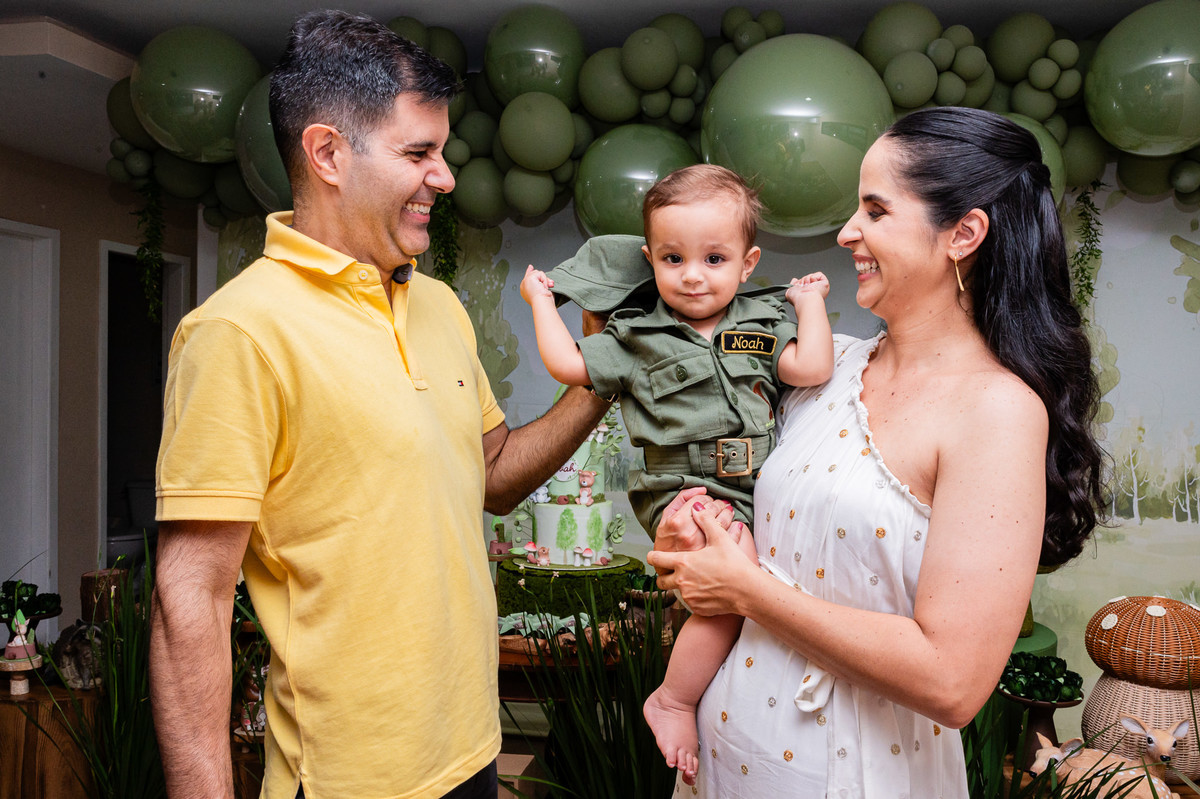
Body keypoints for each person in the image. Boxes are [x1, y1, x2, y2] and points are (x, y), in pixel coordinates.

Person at [149, 11, 612, 799]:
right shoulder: (237, 332)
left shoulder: (439, 305)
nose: (446, 176)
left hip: (470, 751)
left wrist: (598, 378)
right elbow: (190, 595)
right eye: (418, 153)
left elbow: (494, 473)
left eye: (443, 152)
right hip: (348, 781)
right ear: (328, 153)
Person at [647, 107, 1107, 797]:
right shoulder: (828, 368)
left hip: (854, 775)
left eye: (876, 209)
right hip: (724, 760)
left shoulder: (997, 410)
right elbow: (767, 544)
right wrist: (695, 541)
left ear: (963, 234)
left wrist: (747, 590)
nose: (846, 232)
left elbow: (953, 682)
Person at [519, 164, 835, 781]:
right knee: (732, 585)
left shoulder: (762, 322)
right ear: (651, 259)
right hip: (684, 490)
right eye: (673, 258)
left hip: (757, 491)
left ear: (747, 263)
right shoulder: (638, 335)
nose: (693, 275)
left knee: (747, 599)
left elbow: (813, 367)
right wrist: (541, 302)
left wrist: (810, 303)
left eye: (714, 259)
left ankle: (719, 712)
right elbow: (566, 364)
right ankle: (673, 699)